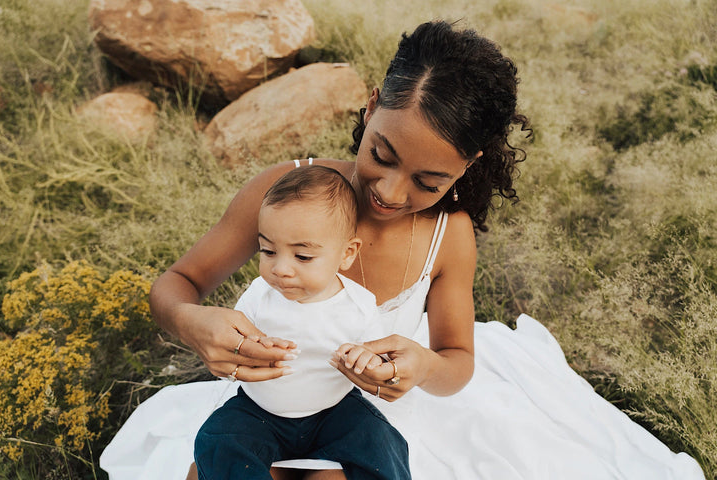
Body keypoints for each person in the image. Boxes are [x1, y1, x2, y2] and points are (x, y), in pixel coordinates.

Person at [100, 20, 705, 480]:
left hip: (373, 408)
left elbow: (456, 361)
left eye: (428, 181)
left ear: (466, 168)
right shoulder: (284, 191)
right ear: (370, 108)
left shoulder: (450, 237)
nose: (389, 192)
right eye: (382, 155)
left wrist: (421, 367)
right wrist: (191, 320)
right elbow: (176, 283)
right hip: (270, 399)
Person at [194, 165, 410, 479]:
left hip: (333, 410)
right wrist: (253, 347)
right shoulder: (259, 295)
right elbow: (235, 341)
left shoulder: (358, 304)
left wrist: (367, 360)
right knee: (216, 441)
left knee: (383, 443)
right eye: (268, 250)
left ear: (346, 253)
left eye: (302, 256)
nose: (280, 269)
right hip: (260, 412)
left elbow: (377, 356)